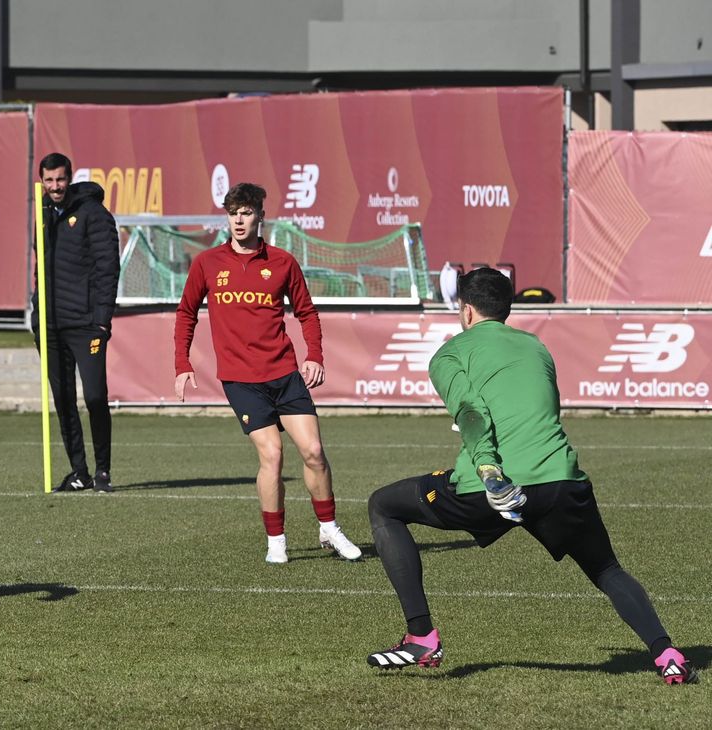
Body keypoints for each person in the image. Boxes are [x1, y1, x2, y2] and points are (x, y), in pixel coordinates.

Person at [366, 267, 697, 685]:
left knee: (384, 506)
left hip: (493, 486)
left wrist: (488, 469)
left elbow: (471, 413)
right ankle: (667, 653)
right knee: (606, 569)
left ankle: (421, 637)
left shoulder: (450, 354)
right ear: (506, 309)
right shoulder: (536, 346)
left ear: (465, 311)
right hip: (560, 481)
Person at [173, 182, 362, 564]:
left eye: (245, 213)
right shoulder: (207, 263)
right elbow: (186, 313)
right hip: (241, 380)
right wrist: (182, 364)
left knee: (313, 453)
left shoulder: (282, 262)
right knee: (272, 456)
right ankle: (276, 539)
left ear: (260, 215)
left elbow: (306, 312)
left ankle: (329, 526)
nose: (238, 221)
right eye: (232, 213)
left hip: (284, 374)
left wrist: (315, 356)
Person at [33, 152, 120, 493]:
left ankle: (103, 471)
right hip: (50, 325)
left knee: (95, 397)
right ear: (41, 180)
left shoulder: (93, 214)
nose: (55, 186)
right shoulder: (40, 212)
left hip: (86, 325)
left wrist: (102, 320)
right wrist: (36, 309)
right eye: (48, 180)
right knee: (63, 398)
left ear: (70, 178)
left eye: (60, 179)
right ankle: (79, 471)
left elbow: (107, 269)